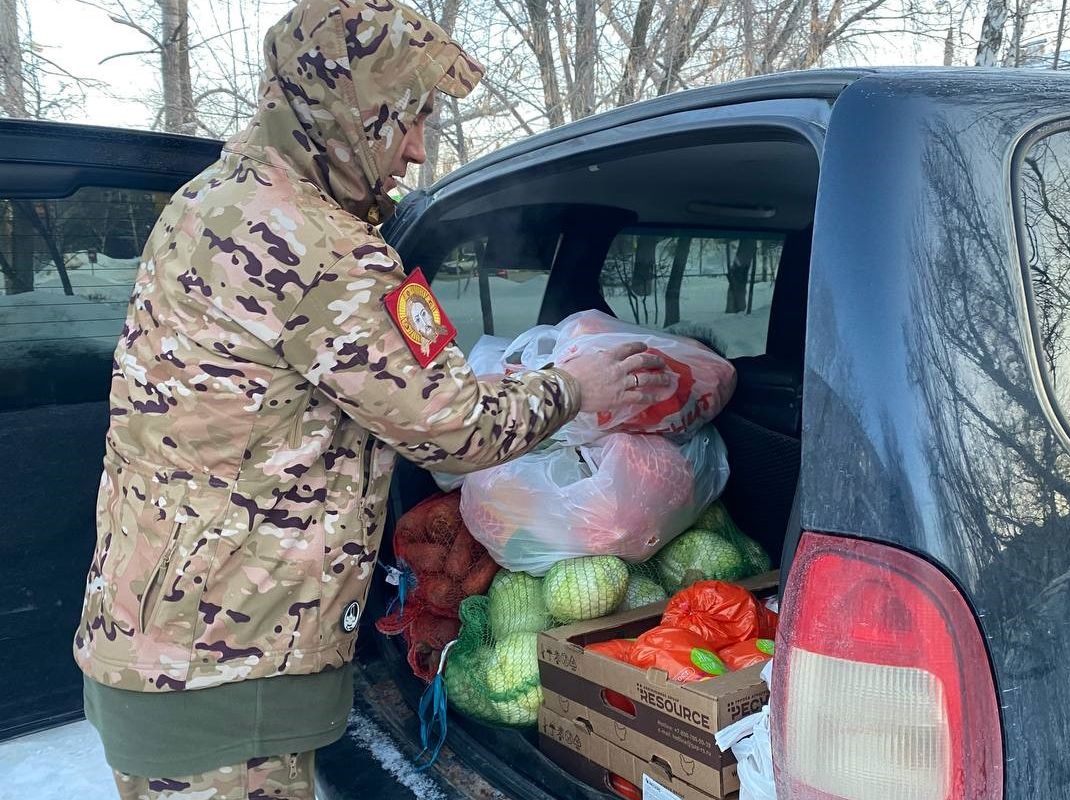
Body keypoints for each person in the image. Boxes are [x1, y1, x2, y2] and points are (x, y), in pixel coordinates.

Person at [73, 2, 672, 798]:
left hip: (165, 638)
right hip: (225, 668)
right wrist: (577, 387)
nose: (419, 149)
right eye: (407, 119)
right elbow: (456, 428)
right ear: (345, 111)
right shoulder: (318, 246)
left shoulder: (213, 201)